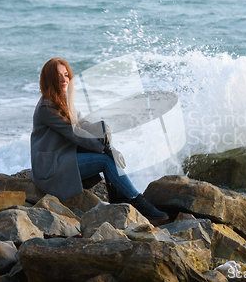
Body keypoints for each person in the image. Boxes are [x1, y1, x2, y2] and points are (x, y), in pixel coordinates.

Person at [30, 57, 168, 221]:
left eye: (66, 75)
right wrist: (105, 148)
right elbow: (74, 132)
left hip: (64, 154)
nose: (63, 79)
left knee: (106, 152)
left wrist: (102, 130)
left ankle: (118, 198)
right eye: (58, 75)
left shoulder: (63, 100)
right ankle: (138, 201)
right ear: (49, 79)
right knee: (106, 160)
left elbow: (82, 123)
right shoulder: (47, 107)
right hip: (51, 167)